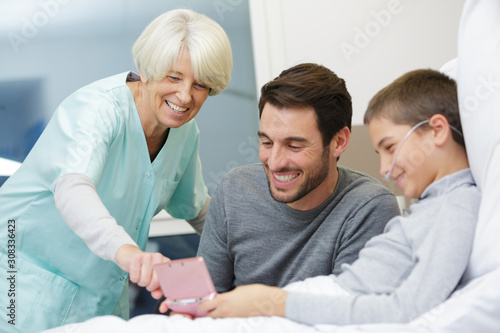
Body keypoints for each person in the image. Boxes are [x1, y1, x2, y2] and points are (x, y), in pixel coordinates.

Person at [0, 8, 232, 332]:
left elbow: (196, 207)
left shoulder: (184, 133)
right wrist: (131, 255)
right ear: (146, 68)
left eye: (201, 85)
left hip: (100, 297)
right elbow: (73, 188)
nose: (185, 96)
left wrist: (248, 251)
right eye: (173, 77)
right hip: (19, 279)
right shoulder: (98, 110)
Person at [192, 63, 401, 294]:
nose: (275, 162)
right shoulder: (234, 191)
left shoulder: (369, 207)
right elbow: (203, 302)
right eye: (267, 143)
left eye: (294, 145)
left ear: (338, 141)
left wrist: (256, 304)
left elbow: (346, 314)